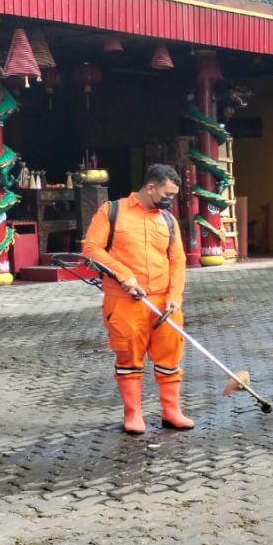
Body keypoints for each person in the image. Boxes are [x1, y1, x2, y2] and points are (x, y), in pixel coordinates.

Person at [82, 164, 190, 434]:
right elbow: (92, 248)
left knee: (170, 357)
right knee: (129, 357)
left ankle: (172, 411)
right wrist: (123, 275)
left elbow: (177, 260)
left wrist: (175, 296)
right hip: (125, 301)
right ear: (150, 187)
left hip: (164, 303)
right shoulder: (112, 211)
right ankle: (133, 414)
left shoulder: (167, 220)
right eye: (167, 194)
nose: (170, 200)